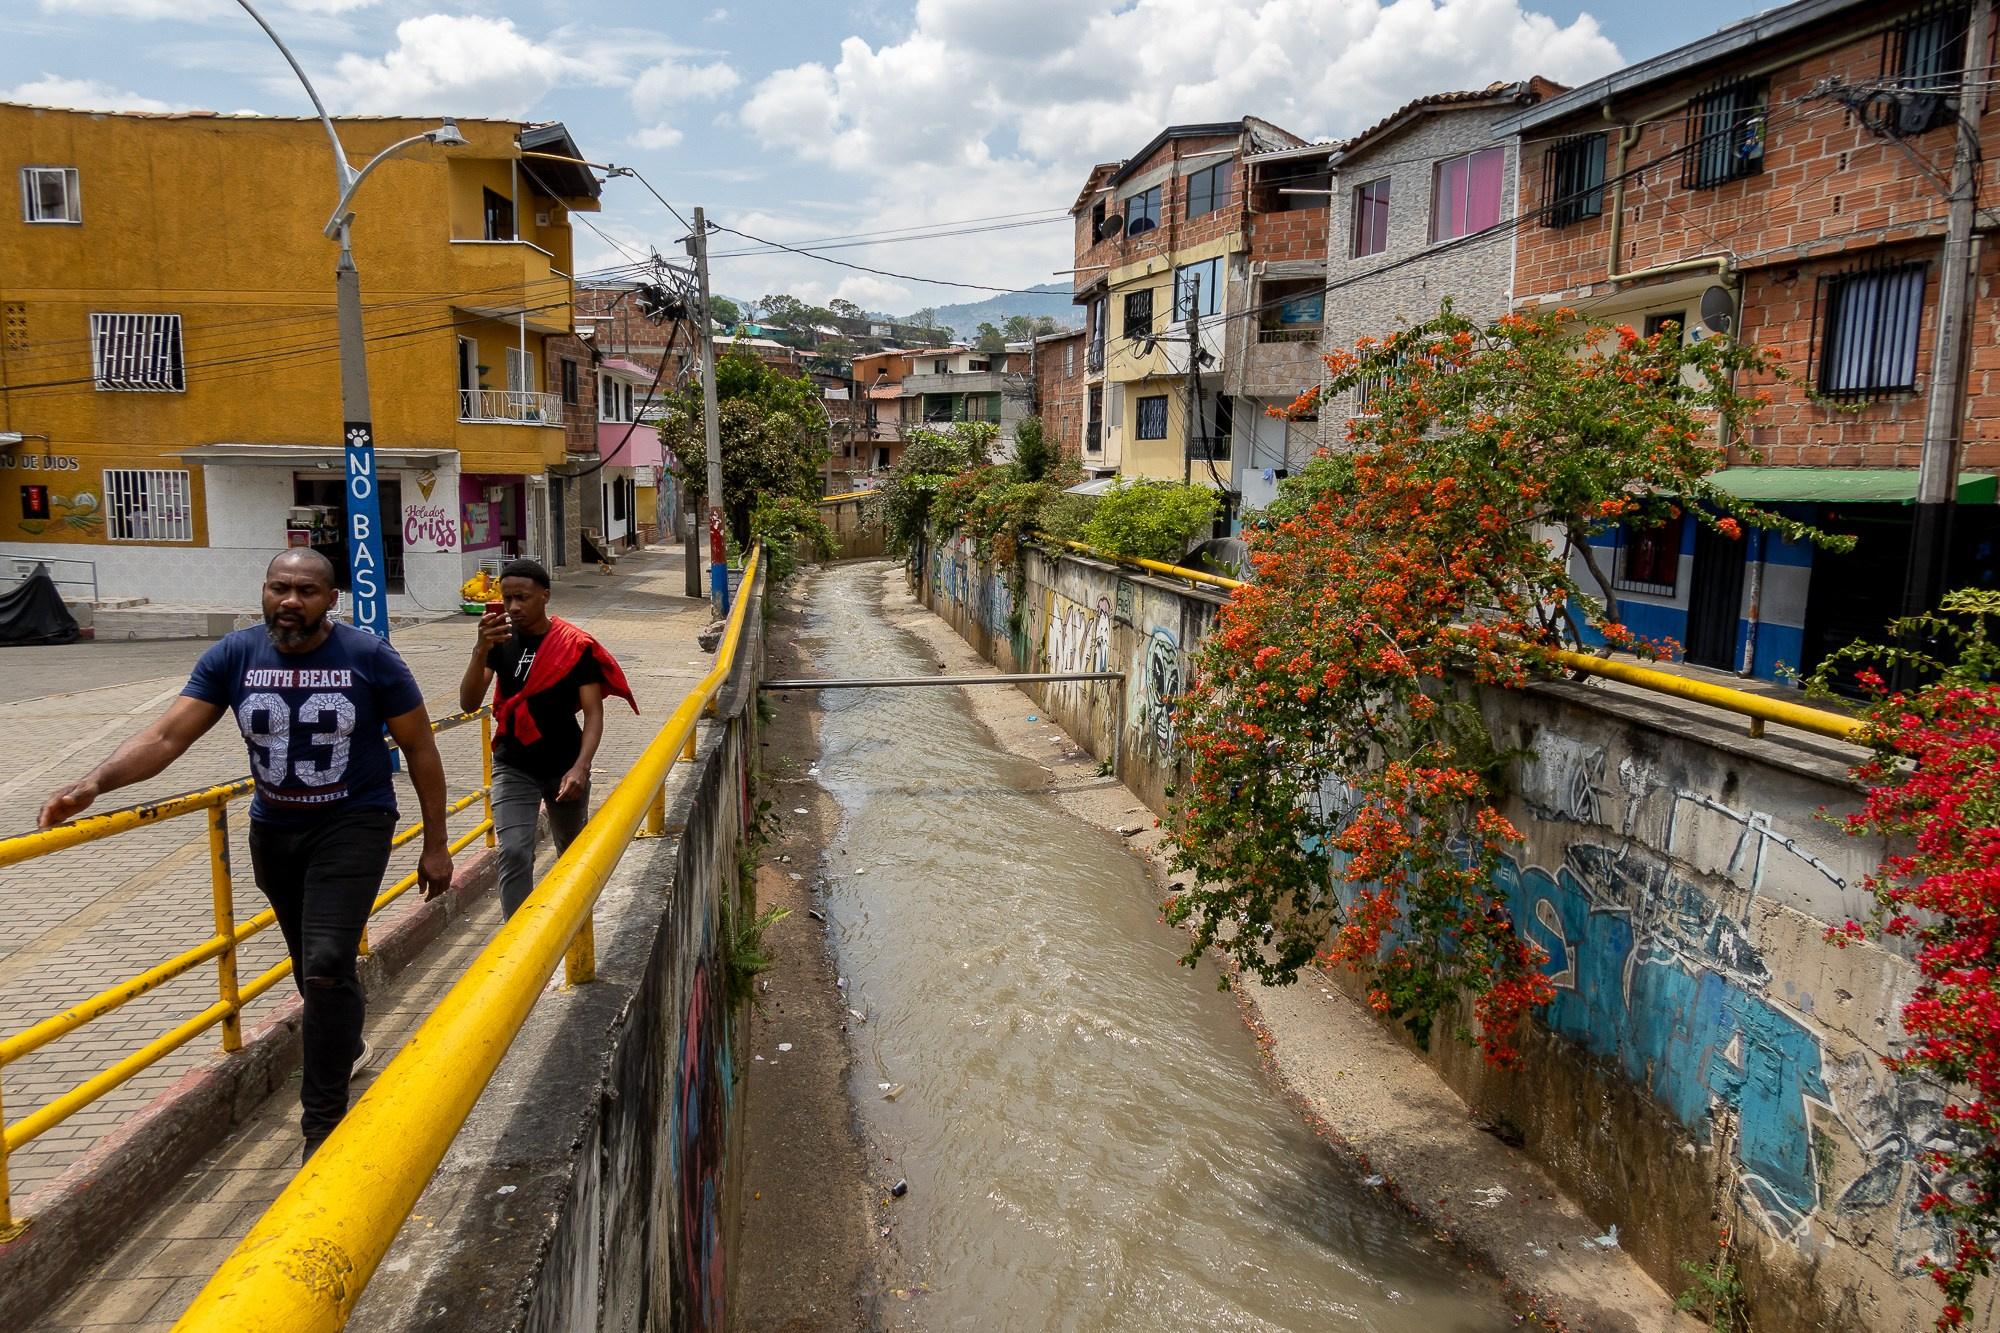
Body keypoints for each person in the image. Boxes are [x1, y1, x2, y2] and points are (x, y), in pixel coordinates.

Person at [38, 549, 454, 1161]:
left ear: (330, 599)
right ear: (264, 593)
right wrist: (93, 783)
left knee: (327, 961)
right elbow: (166, 735)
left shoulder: (369, 657)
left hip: (354, 821)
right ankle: (347, 1041)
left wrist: (436, 843)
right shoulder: (233, 656)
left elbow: (419, 747)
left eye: (307, 590)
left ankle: (322, 1130)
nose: (291, 601)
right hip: (275, 830)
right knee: (314, 968)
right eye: (279, 588)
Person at [460, 558, 635, 918]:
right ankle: (517, 942)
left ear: (545, 596)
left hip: (564, 764)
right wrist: (479, 648)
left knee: (571, 852)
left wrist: (580, 768)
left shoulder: (574, 645)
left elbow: (593, 712)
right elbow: (469, 702)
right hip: (513, 762)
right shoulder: (499, 639)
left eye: (522, 598)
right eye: (507, 598)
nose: (513, 607)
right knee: (513, 851)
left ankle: (574, 929)